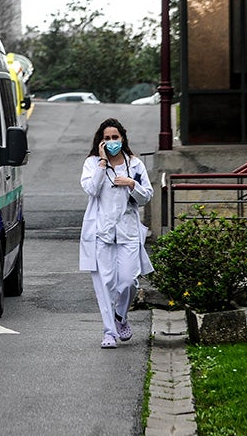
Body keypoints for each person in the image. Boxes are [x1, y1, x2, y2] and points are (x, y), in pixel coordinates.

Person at [79, 117, 154, 349]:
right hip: (102, 233)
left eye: (115, 137)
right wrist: (102, 164)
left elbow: (146, 196)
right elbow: (91, 189)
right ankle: (109, 332)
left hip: (128, 232)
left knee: (129, 281)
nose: (111, 142)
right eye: (107, 138)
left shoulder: (135, 164)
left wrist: (132, 184)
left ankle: (121, 315)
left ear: (123, 138)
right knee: (105, 284)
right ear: (100, 142)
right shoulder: (92, 163)